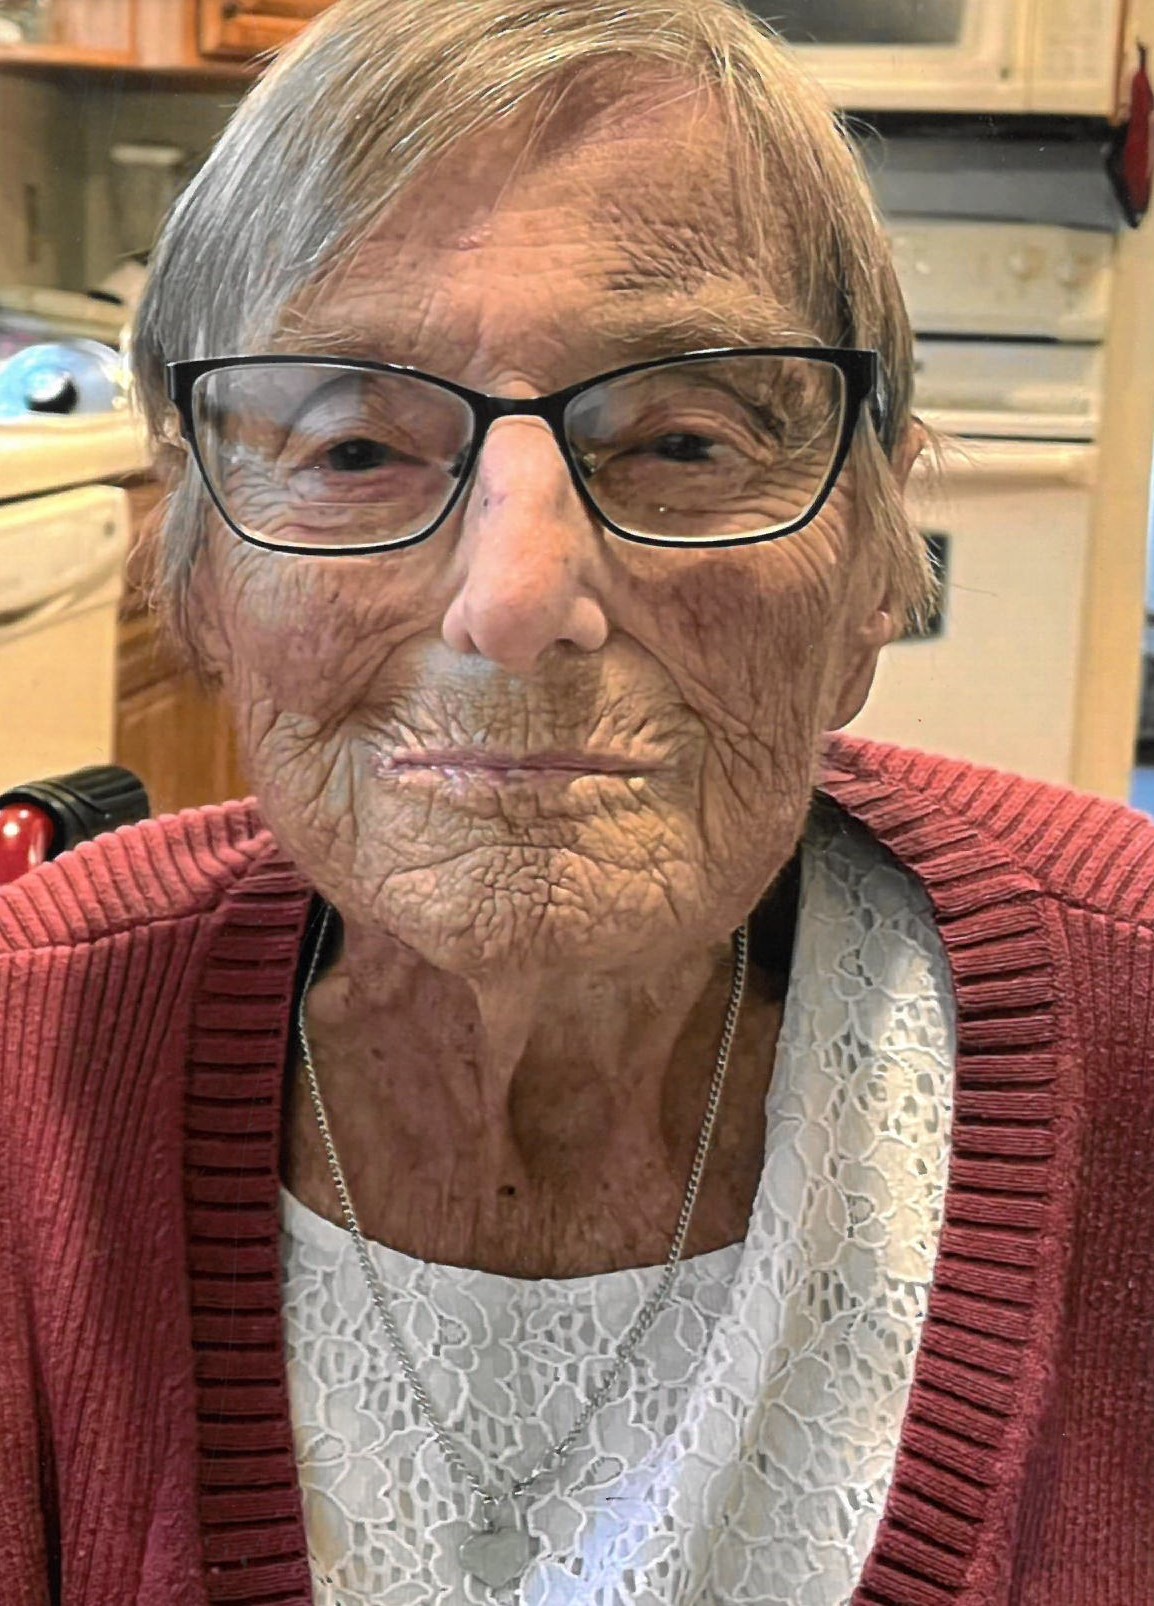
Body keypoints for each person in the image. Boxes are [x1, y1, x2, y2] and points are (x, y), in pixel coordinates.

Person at [2, 0, 1152, 1601]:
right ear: (195, 571)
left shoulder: (1128, 1011)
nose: (515, 598)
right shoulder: (31, 1064)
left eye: (683, 439)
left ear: (875, 564)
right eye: (354, 450)